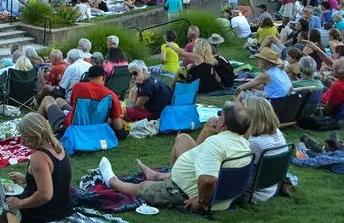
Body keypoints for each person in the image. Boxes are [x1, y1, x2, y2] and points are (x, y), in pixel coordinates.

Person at [99, 101, 252, 212]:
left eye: (220, 115)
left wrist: (200, 202)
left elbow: (208, 180)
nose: (217, 117)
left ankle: (113, 182)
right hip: (220, 199)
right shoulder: (243, 144)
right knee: (183, 139)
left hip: (183, 192)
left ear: (223, 122)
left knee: (143, 187)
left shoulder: (216, 143)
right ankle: (158, 175)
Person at [3, 112, 73, 223]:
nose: (23, 141)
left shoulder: (39, 157)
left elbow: (45, 195)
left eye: (25, 136)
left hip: (43, 215)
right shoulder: (59, 146)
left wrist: (19, 204)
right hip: (63, 208)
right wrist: (26, 179)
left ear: (36, 134)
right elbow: (56, 180)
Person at [38, 65, 124, 136]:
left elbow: (74, 107)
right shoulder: (111, 96)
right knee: (59, 100)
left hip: (71, 129)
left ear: (89, 76)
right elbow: (118, 126)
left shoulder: (78, 87)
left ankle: (34, 128)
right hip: (95, 129)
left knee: (47, 99)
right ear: (104, 77)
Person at [242, 97, 287, 202]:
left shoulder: (256, 142)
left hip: (252, 194)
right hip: (270, 188)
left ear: (251, 116)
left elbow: (237, 166)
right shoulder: (276, 132)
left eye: (243, 111)